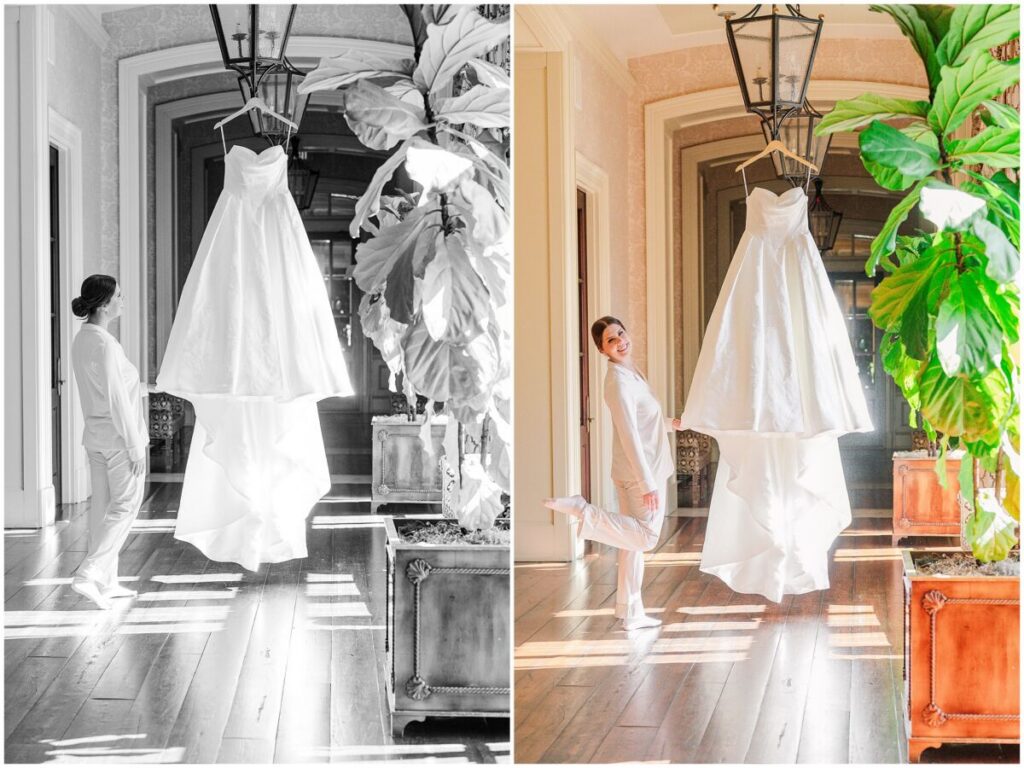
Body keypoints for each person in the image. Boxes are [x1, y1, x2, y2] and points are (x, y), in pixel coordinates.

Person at [545, 316, 682, 631]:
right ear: (601, 349)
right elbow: (629, 434)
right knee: (645, 538)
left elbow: (644, 421)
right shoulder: (618, 382)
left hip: (640, 470)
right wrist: (648, 484)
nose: (620, 341)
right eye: (611, 340)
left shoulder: (631, 373)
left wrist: (672, 423)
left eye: (621, 333)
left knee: (631, 544)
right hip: (640, 474)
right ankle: (584, 511)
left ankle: (628, 610)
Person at [69, 275, 149, 609]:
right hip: (118, 440)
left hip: (96, 437)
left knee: (102, 511)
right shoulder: (104, 343)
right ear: (103, 304)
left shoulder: (82, 339)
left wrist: (146, 389)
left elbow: (111, 390)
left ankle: (108, 581)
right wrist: (134, 445)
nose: (122, 299)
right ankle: (88, 573)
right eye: (118, 295)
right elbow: (116, 398)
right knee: (126, 505)